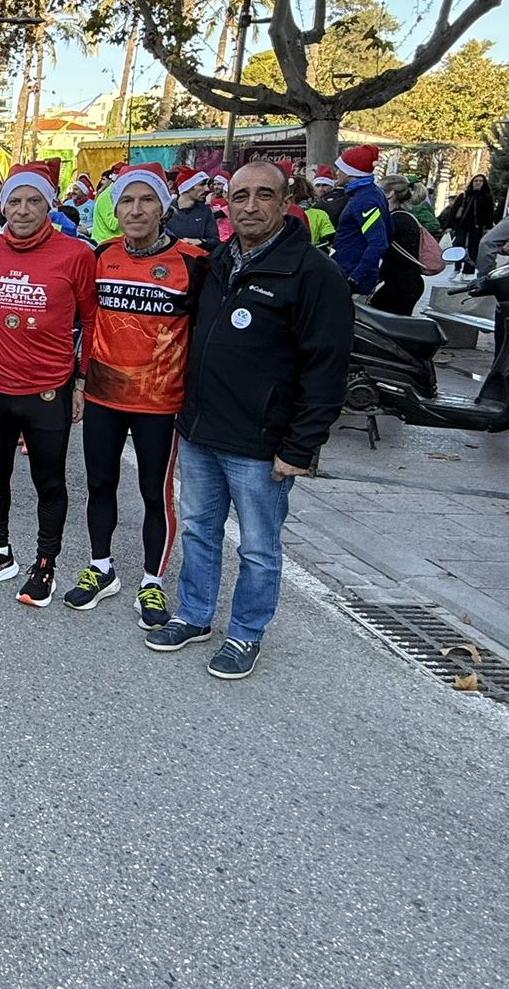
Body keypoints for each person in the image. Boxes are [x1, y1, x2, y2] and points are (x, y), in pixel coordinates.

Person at [145, 162, 351, 679]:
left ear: (286, 203)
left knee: (258, 547)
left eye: (264, 195)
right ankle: (194, 615)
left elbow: (326, 369)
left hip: (261, 443)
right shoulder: (214, 262)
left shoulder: (313, 274)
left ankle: (245, 633)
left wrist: (300, 446)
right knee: (198, 530)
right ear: (226, 204)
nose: (251, 206)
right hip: (199, 431)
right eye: (240, 196)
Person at [64, 165, 205, 628]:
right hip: (105, 395)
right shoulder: (100, 256)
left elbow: (207, 335)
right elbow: (81, 321)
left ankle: (151, 581)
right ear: (115, 209)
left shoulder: (193, 262)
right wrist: (78, 383)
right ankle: (101, 568)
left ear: (164, 207)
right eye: (127, 201)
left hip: (160, 403)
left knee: (153, 493)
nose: (136, 210)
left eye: (147, 200)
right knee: (100, 484)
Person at [0, 159, 97, 606]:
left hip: (47, 390)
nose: (22, 209)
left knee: (48, 481)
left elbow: (91, 320)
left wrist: (80, 381)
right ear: (1, 206)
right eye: (14, 200)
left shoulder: (76, 255)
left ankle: (45, 563)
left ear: (50, 205)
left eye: (33, 200)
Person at [329, 144, 390, 295]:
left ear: (350, 172)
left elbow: (378, 242)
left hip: (351, 276)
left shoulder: (364, 200)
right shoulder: (372, 193)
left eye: (340, 169)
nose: (337, 173)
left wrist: (355, 277)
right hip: (351, 273)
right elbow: (389, 229)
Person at [368, 175, 427, 316]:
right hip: (409, 284)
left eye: (378, 191)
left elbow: (376, 247)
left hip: (398, 286)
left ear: (389, 194)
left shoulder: (394, 220)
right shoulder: (406, 217)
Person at [441, 173, 497, 276]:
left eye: (481, 181)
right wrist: (449, 226)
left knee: (473, 249)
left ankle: (468, 271)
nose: (478, 183)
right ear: (472, 182)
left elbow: (490, 214)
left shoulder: (486, 197)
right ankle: (457, 268)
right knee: (458, 246)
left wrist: (488, 227)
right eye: (476, 181)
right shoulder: (464, 196)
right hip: (462, 226)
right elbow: (453, 212)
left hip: (477, 227)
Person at [162, 167, 221, 250]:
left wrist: (198, 242)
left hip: (195, 259)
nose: (207, 189)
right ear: (187, 187)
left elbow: (215, 241)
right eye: (202, 184)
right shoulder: (165, 209)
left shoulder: (205, 211)